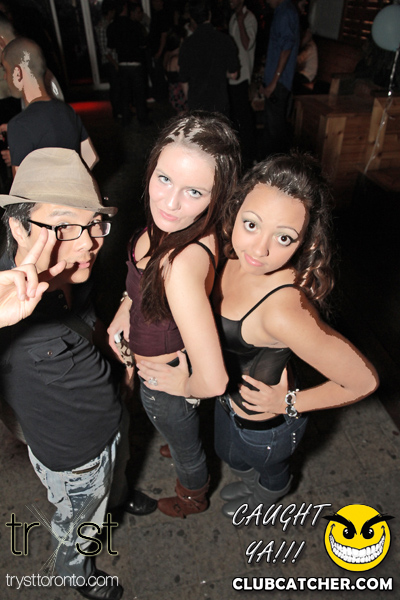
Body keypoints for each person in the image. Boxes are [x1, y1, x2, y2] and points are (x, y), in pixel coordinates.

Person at [139, 152, 378, 517]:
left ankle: (268, 494)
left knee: (267, 469)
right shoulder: (227, 253)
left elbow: (363, 381)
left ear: (304, 242)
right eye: (251, 224)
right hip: (226, 403)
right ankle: (252, 482)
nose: (259, 248)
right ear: (235, 211)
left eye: (284, 237)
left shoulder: (284, 311)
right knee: (229, 456)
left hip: (267, 427)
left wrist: (289, 404)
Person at [0, 147, 154, 600]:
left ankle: (119, 498)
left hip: (112, 418)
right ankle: (76, 571)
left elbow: (90, 324)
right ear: (18, 227)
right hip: (73, 457)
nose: (88, 242)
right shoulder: (7, 303)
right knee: (80, 521)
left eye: (93, 223)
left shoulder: (74, 270)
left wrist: (119, 362)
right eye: (65, 225)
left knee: (116, 478)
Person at [108, 112, 241, 518]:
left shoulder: (182, 265)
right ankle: (177, 433)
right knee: (177, 429)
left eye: (194, 192)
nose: (170, 202)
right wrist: (126, 306)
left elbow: (214, 380)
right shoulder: (175, 223)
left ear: (218, 196)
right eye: (164, 178)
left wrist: (183, 385)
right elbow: (145, 280)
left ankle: (192, 497)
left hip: (163, 380)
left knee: (187, 448)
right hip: (159, 367)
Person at [1, 37, 98, 175]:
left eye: (5, 69)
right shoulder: (67, 110)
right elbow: (91, 158)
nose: (5, 77)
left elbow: (21, 184)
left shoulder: (18, 125)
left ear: (18, 73)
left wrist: (19, 156)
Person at [178, 0, 239, 117]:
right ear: (209, 14)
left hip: (197, 104)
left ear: (192, 18)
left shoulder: (187, 44)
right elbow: (234, 75)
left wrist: (190, 101)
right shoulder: (224, 40)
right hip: (219, 103)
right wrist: (220, 71)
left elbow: (184, 79)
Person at [262, 0, 300, 155]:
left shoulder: (285, 13)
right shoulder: (283, 11)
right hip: (277, 81)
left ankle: (278, 167)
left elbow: (286, 49)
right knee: (273, 129)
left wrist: (273, 82)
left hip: (279, 83)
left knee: (276, 132)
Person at [107, 0, 150, 126]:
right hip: (135, 63)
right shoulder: (135, 25)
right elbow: (143, 44)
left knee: (124, 94)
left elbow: (110, 46)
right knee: (139, 94)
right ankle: (142, 118)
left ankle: (126, 118)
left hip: (122, 64)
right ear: (124, 9)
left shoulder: (112, 26)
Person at [228, 0, 257, 167]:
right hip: (232, 74)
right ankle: (239, 154)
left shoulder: (249, 18)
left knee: (244, 116)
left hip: (243, 74)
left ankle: (249, 156)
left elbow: (247, 44)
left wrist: (240, 21)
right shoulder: (233, 17)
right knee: (235, 116)